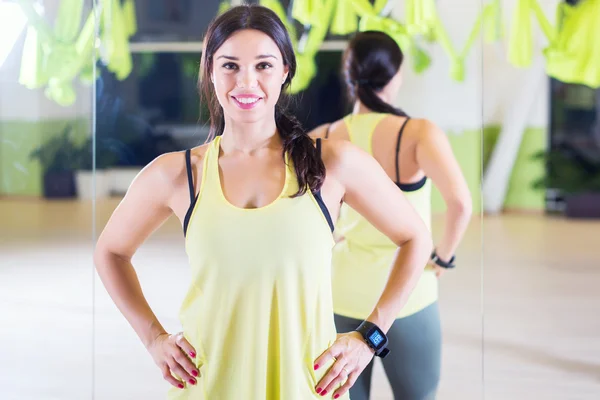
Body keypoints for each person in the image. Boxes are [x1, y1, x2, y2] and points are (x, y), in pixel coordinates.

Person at [94, 6, 432, 400]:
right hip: (207, 388)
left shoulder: (334, 164)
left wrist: (370, 336)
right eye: (231, 65)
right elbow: (110, 252)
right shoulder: (177, 174)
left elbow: (416, 239)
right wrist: (153, 338)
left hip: (304, 388)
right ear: (211, 71)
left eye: (264, 65)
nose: (246, 81)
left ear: (286, 70)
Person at [309, 31, 472, 400]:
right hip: (408, 295)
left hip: (340, 294)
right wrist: (443, 258)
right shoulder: (418, 133)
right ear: (395, 75)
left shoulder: (322, 138)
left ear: (348, 77)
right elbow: (460, 204)